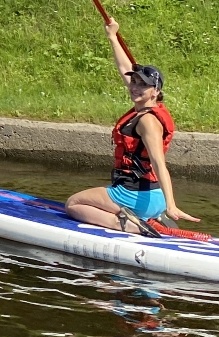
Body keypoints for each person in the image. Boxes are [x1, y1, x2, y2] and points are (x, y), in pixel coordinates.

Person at [65, 17, 199, 234]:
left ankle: (134, 226)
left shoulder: (148, 121)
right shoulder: (145, 106)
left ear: (155, 91)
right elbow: (124, 67)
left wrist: (171, 204)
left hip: (137, 194)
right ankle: (148, 218)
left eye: (142, 85)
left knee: (74, 204)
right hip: (150, 195)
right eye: (134, 82)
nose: (135, 88)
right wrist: (112, 37)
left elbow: (158, 163)